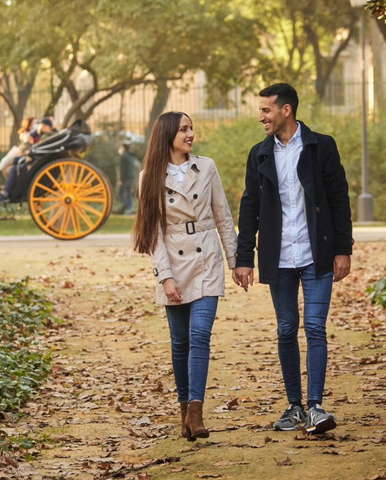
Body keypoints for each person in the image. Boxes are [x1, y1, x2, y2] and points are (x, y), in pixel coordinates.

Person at [232, 83, 353, 435]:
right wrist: (244, 258)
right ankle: (294, 406)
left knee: (315, 327)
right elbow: (249, 207)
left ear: (286, 110)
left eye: (266, 110)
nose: (261, 117)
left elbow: (339, 198)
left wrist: (343, 249)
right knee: (286, 329)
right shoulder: (259, 153)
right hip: (278, 255)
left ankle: (316, 406)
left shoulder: (321, 146)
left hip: (318, 253)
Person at [133, 111, 237, 441]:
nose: (190, 134)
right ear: (167, 135)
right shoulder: (149, 175)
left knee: (199, 335)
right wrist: (165, 276)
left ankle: (196, 410)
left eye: (191, 128)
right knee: (180, 343)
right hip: (174, 265)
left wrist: (236, 261)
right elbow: (153, 233)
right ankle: (184, 412)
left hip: (207, 259)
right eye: (183, 129)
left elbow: (223, 216)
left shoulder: (206, 167)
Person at [116, 142, 138, 214]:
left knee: (120, 194)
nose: (120, 149)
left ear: (124, 148)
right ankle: (130, 208)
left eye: (121, 147)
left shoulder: (123, 156)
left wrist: (121, 180)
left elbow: (123, 169)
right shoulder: (131, 156)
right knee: (128, 194)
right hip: (132, 177)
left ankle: (129, 208)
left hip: (126, 178)